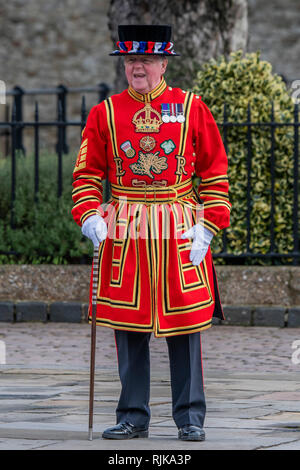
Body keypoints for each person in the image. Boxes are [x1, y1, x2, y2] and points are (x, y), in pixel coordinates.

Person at [71, 24, 231, 441]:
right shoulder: (105, 112)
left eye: (145, 60)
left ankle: (190, 416)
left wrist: (208, 225)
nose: (137, 67)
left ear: (163, 63)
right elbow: (87, 174)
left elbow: (215, 172)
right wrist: (89, 213)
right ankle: (133, 416)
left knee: (186, 325)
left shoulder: (191, 107)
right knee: (129, 327)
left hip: (180, 225)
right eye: (130, 60)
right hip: (125, 226)